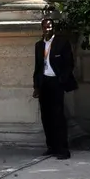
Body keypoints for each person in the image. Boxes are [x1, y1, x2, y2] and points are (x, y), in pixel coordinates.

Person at [33, 17, 76, 160]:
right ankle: (51, 146)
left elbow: (69, 64)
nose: (47, 29)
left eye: (50, 26)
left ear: (53, 28)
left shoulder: (61, 43)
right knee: (46, 116)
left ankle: (62, 149)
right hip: (44, 82)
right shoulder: (39, 45)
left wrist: (61, 80)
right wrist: (36, 87)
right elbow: (37, 67)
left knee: (58, 116)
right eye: (45, 27)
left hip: (56, 82)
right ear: (42, 28)